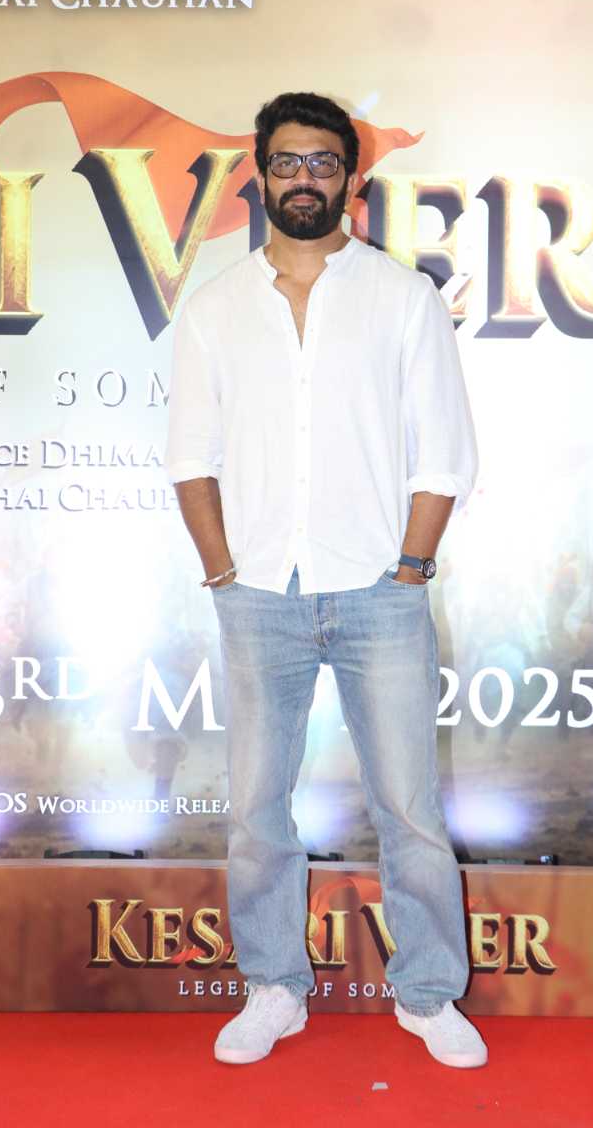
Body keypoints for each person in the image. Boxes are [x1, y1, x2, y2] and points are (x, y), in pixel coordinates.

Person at [165, 91, 486, 1068]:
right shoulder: (215, 309)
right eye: (286, 161)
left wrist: (411, 568)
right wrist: (222, 571)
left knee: (408, 809)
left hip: (380, 592)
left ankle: (427, 995)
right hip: (257, 594)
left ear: (350, 178)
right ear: (259, 175)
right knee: (255, 809)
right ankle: (273, 987)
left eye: (323, 162)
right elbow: (190, 458)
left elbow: (445, 454)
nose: (303, 178)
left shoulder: (401, 298)